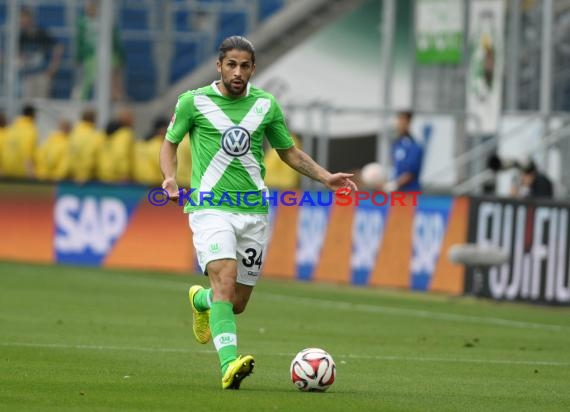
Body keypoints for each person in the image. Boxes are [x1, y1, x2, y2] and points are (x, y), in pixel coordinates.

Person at [159, 36, 357, 390]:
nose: (238, 72)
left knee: (235, 302)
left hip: (254, 211)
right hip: (210, 207)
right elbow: (170, 142)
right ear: (219, 65)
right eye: (231, 65)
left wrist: (326, 176)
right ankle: (228, 365)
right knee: (224, 279)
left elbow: (289, 152)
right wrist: (170, 177)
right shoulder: (194, 101)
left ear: (253, 68)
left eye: (245, 65)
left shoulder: (266, 105)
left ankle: (200, 300)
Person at [75, 0, 126, 101]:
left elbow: (115, 39)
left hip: (107, 54)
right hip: (90, 55)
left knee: (115, 65)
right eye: (89, 5)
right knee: (91, 72)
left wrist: (120, 56)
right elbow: (80, 41)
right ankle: (82, 97)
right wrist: (79, 56)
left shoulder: (106, 21)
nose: (90, 8)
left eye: (93, 5)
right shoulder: (82, 22)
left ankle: (116, 94)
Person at [18, 7, 64, 99]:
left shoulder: (41, 32)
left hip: (42, 74)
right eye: (20, 18)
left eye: (23, 18)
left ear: (30, 18)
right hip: (28, 75)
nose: (21, 21)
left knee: (42, 103)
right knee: (27, 104)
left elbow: (59, 47)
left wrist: (53, 67)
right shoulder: (21, 36)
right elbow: (19, 54)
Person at [384, 111, 424, 193]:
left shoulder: (414, 146)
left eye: (402, 121)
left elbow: (410, 173)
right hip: (396, 193)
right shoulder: (396, 144)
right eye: (398, 120)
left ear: (408, 123)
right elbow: (394, 168)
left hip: (409, 194)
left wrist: (394, 185)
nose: (399, 124)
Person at [68, 109, 104, 183]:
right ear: (94, 120)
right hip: (88, 179)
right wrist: (83, 176)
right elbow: (88, 157)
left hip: (72, 177)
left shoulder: (73, 134)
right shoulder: (95, 136)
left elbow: (68, 156)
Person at [2, 105, 38, 178]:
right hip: (21, 172)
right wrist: (31, 173)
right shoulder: (30, 129)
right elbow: (27, 152)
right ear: (33, 115)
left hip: (6, 169)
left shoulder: (12, 127)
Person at [134, 117, 168, 186]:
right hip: (154, 184)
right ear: (162, 129)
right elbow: (163, 167)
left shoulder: (142, 143)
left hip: (138, 182)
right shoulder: (159, 145)